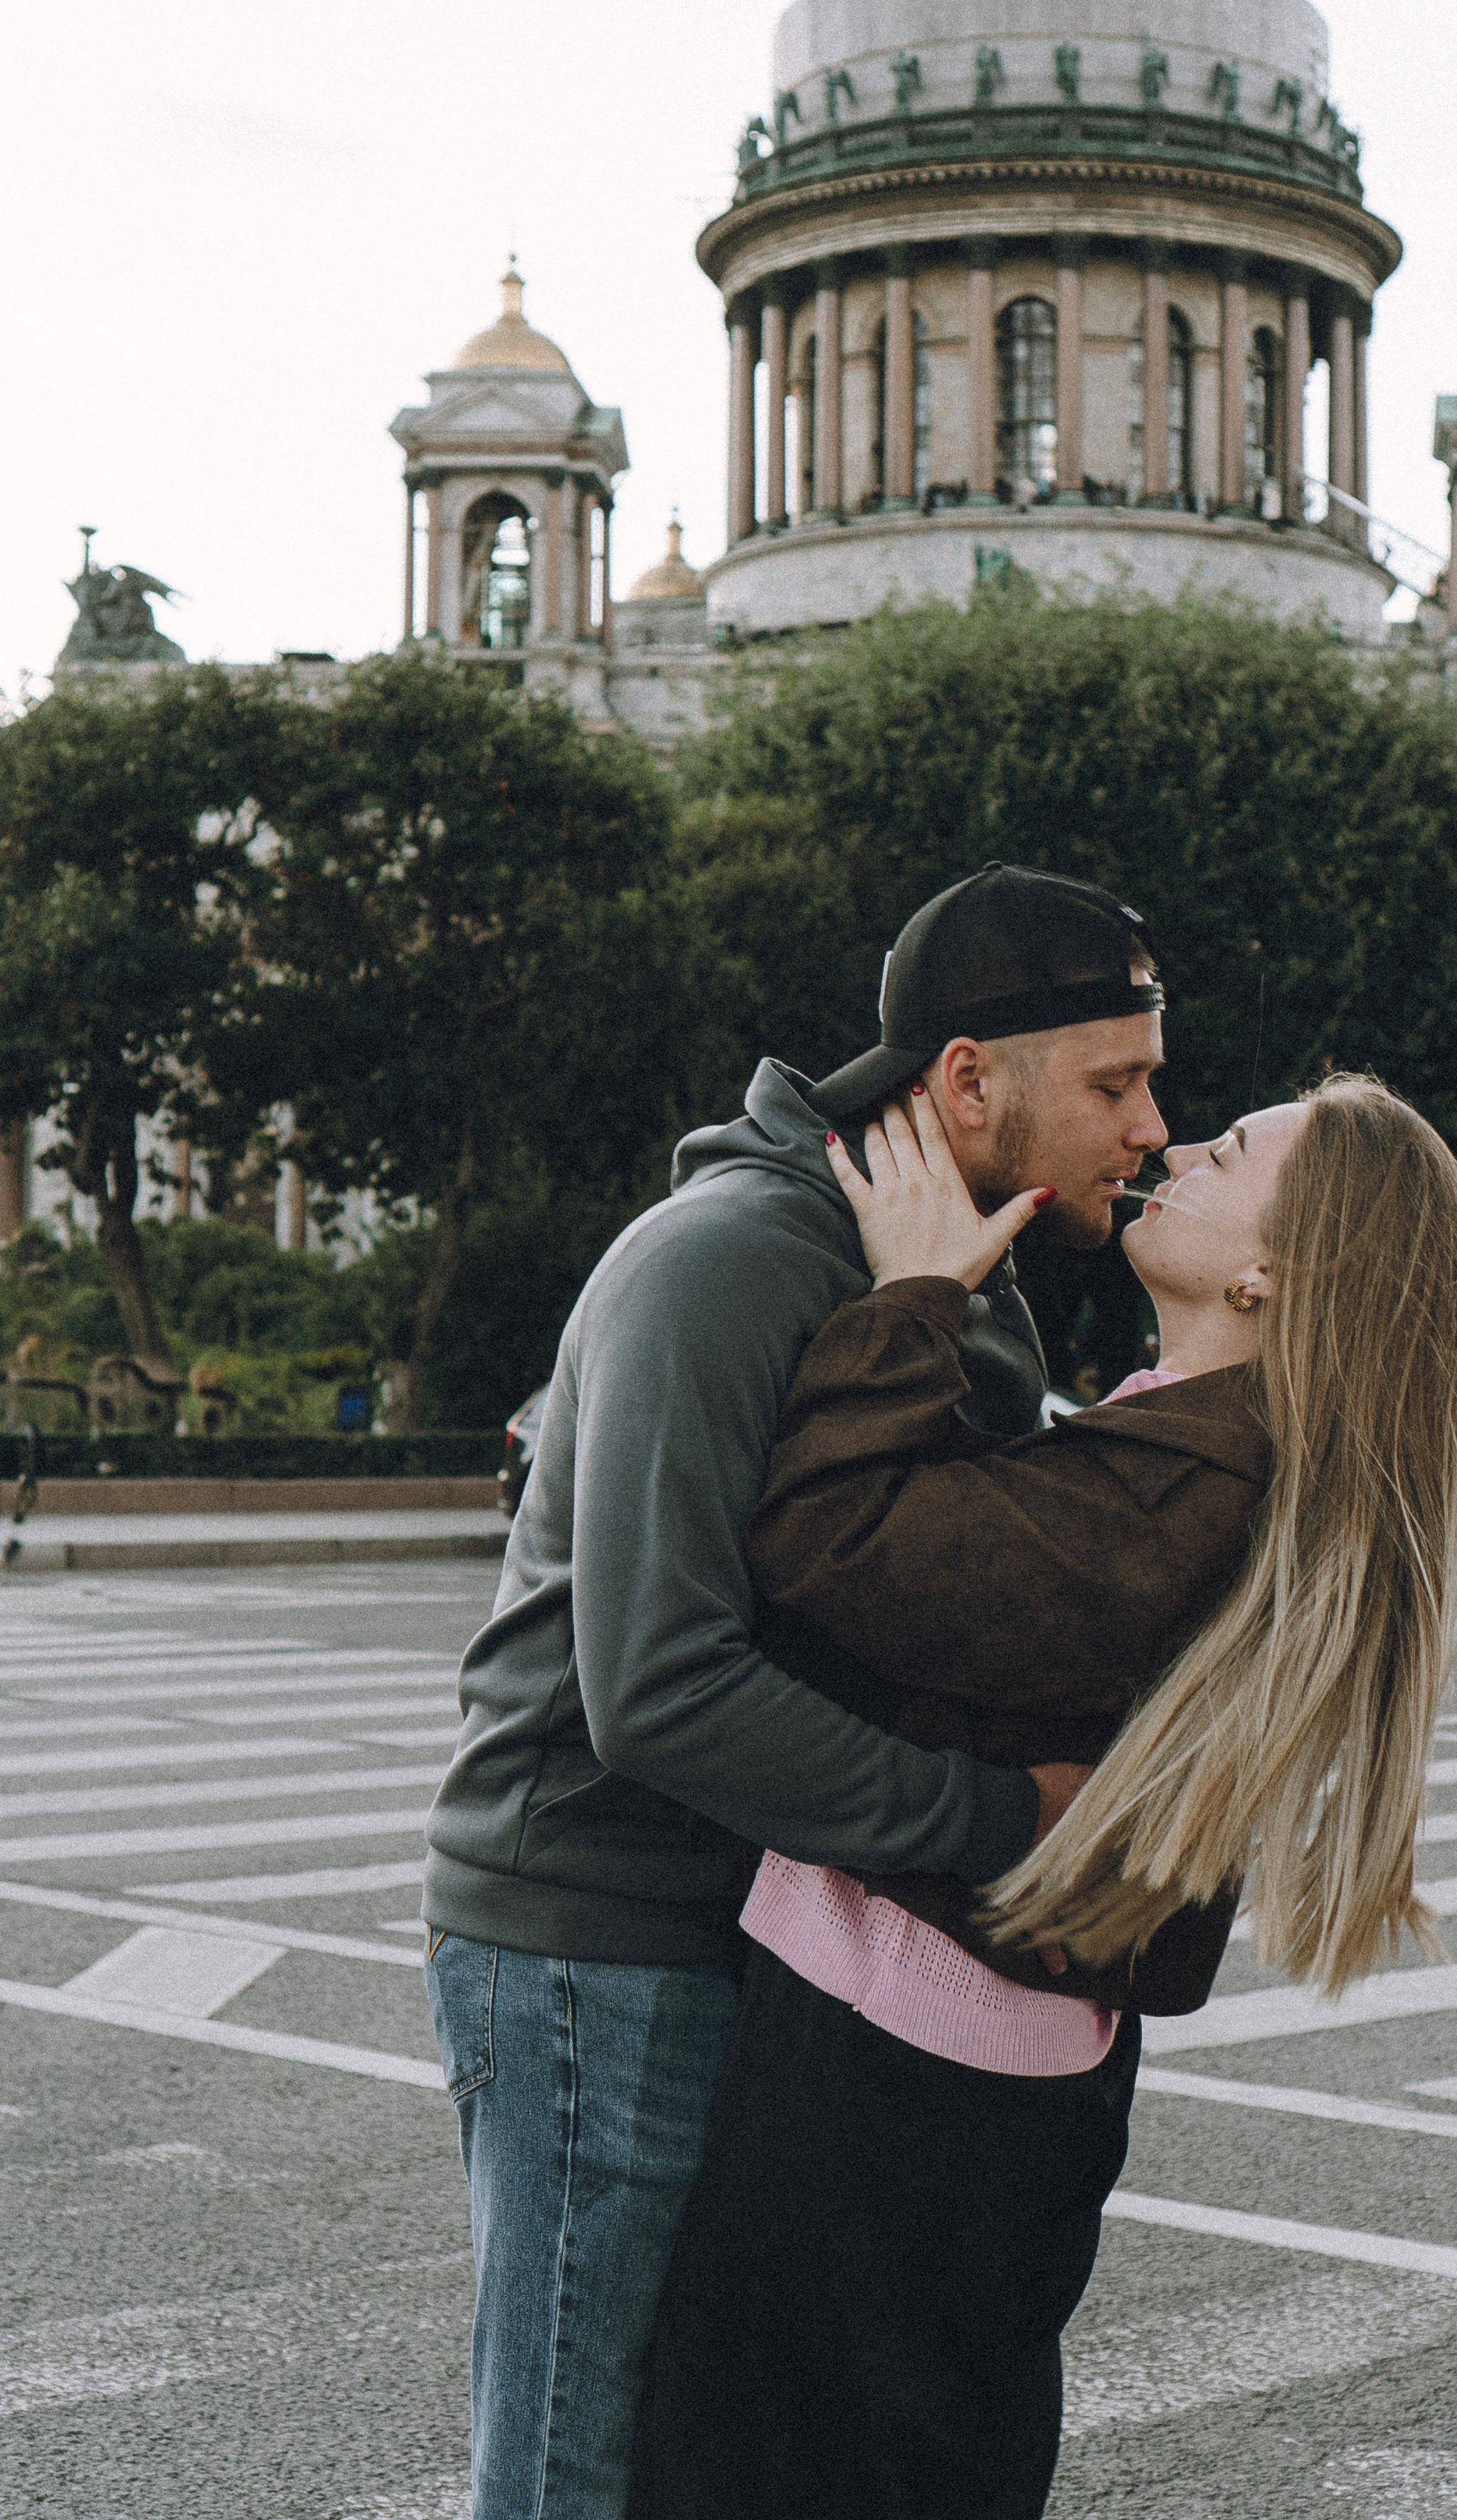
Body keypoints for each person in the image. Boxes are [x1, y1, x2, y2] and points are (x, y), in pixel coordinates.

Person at [419, 862, 1170, 2519]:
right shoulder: (733, 1260)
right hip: (590, 1933)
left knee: (697, 2462)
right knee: (571, 2472)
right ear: (968, 1079)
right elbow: (661, 1691)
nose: (1148, 1130)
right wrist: (999, 1825)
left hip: (740, 1926)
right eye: (1115, 1084)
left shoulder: (944, 1265)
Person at [630, 1074, 1457, 2520]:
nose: (1172, 1141)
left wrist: (907, 1295)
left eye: (1226, 1151)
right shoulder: (1196, 1451)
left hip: (890, 2075)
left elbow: (825, 1546)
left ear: (1267, 1271)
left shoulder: (1173, 1489)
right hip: (969, 2071)